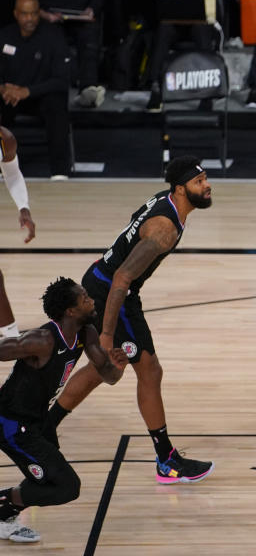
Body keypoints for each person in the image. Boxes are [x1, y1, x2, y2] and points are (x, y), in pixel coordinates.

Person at [43, 156, 215, 483]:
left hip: (98, 280)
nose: (207, 186)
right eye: (199, 182)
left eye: (205, 179)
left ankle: (45, 429)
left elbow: (130, 230)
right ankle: (166, 460)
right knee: (147, 370)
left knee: (105, 369)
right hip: (112, 295)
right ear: (180, 189)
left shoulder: (163, 201)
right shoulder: (164, 229)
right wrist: (107, 334)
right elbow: (123, 277)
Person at [0, 277, 127, 543]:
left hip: (37, 422)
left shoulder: (86, 333)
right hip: (11, 424)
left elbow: (109, 376)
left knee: (53, 481)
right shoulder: (43, 340)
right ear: (70, 311)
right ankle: (3, 509)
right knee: (66, 486)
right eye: (84, 298)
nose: (91, 299)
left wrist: (117, 368)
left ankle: (4, 513)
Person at [0, 0, 72, 179]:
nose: (29, 19)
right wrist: (3, 88)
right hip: (10, 97)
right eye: (25, 14)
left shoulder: (53, 36)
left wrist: (28, 91)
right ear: (16, 14)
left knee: (57, 106)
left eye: (33, 13)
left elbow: (62, 79)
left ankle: (60, 171)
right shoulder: (5, 35)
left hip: (42, 95)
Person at [0, 125, 36, 341]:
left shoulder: (5, 139)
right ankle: (10, 334)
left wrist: (24, 207)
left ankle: (10, 335)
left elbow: (12, 174)